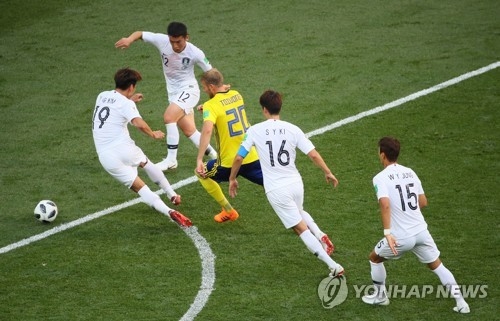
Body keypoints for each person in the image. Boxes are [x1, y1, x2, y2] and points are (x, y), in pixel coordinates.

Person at [229, 90, 341, 275]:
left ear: (264, 109)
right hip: (296, 183)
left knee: (299, 228)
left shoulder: (255, 130)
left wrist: (232, 178)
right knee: (299, 212)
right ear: (279, 108)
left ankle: (333, 266)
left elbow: (239, 158)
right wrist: (327, 172)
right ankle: (320, 235)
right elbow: (312, 154)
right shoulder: (293, 128)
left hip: (276, 189)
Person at [361, 136, 469, 313]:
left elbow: (385, 204)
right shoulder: (410, 172)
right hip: (421, 231)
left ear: (382, 155)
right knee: (437, 265)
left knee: (374, 258)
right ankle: (461, 303)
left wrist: (388, 232)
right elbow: (423, 202)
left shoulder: (380, 178)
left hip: (401, 236)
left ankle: (380, 296)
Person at [91, 67, 192, 227]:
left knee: (139, 188)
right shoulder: (126, 104)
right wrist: (153, 134)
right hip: (123, 148)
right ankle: (172, 194)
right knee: (146, 163)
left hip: (106, 156)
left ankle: (169, 211)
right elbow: (138, 122)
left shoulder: (102, 96)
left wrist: (130, 101)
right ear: (131, 87)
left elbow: (113, 108)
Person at [115, 21, 217, 171]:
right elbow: (140, 33)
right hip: (174, 93)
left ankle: (171, 160)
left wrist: (217, 95)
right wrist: (130, 39)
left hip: (189, 90)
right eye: (172, 41)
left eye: (178, 42)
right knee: (189, 130)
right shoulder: (162, 40)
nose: (175, 46)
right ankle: (215, 155)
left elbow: (211, 73)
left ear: (186, 37)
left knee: (169, 117)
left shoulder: (195, 53)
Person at [195, 68, 263, 223]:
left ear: (212, 87)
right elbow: (224, 104)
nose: (205, 90)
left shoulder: (211, 105)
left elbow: (206, 131)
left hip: (229, 163)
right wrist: (207, 106)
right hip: (250, 155)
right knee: (273, 184)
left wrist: (199, 158)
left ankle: (229, 210)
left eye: (205, 88)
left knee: (200, 172)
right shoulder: (237, 95)